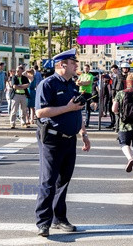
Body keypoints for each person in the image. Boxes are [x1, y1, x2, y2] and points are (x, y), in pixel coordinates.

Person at [34, 48, 90, 237]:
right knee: (48, 181)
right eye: (74, 63)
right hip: (52, 139)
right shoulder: (47, 84)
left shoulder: (72, 85)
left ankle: (59, 219)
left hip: (70, 139)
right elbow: (40, 113)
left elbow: (77, 109)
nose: (77, 66)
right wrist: (67, 108)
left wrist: (83, 132)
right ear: (62, 65)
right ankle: (43, 222)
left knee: (63, 181)